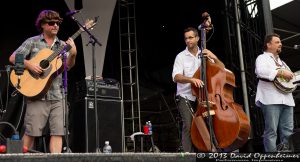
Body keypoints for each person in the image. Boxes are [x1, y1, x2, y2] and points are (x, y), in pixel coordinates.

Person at [9, 10, 77, 153]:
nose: (55, 26)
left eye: (58, 23)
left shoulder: (62, 45)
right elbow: (13, 58)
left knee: (58, 132)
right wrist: (30, 65)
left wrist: (73, 54)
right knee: (31, 132)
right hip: (37, 95)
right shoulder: (32, 42)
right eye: (51, 23)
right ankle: (19, 159)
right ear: (42, 25)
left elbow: (68, 67)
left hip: (58, 95)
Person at [172, 27, 222, 152]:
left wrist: (213, 56)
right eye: (186, 38)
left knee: (208, 124)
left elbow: (221, 69)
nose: (188, 40)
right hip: (185, 96)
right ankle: (188, 156)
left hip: (204, 96)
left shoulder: (204, 54)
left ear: (198, 38)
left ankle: (208, 152)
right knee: (189, 126)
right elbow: (176, 76)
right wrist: (191, 80)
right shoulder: (181, 57)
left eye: (191, 37)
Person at [255, 33, 294, 152]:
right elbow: (260, 71)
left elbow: (291, 78)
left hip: (287, 100)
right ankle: (271, 157)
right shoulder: (262, 58)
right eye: (277, 42)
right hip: (270, 99)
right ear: (268, 44)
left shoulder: (283, 63)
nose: (280, 44)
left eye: (280, 42)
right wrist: (280, 73)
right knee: (271, 131)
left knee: (288, 131)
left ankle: (287, 156)